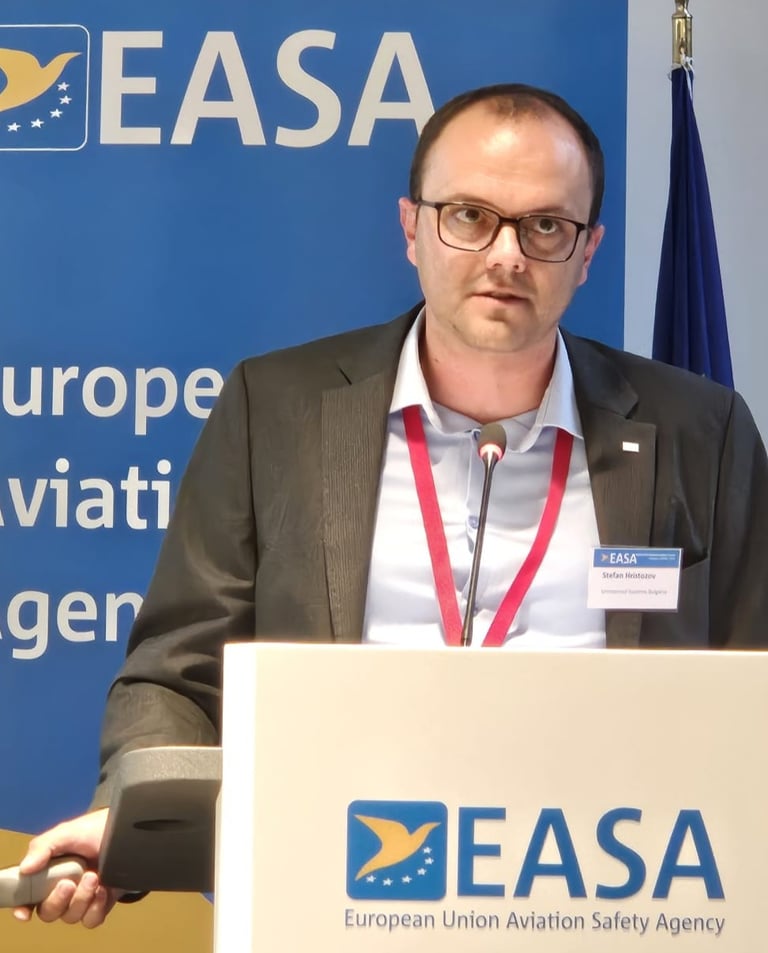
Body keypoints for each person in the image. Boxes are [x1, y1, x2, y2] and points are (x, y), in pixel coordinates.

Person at [14, 82, 768, 928]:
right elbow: (179, 671)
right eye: (470, 216)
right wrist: (132, 826)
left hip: (610, 904)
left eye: (545, 226)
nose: (507, 254)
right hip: (340, 897)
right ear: (411, 228)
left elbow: (754, 687)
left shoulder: (700, 432)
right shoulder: (278, 410)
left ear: (588, 250)